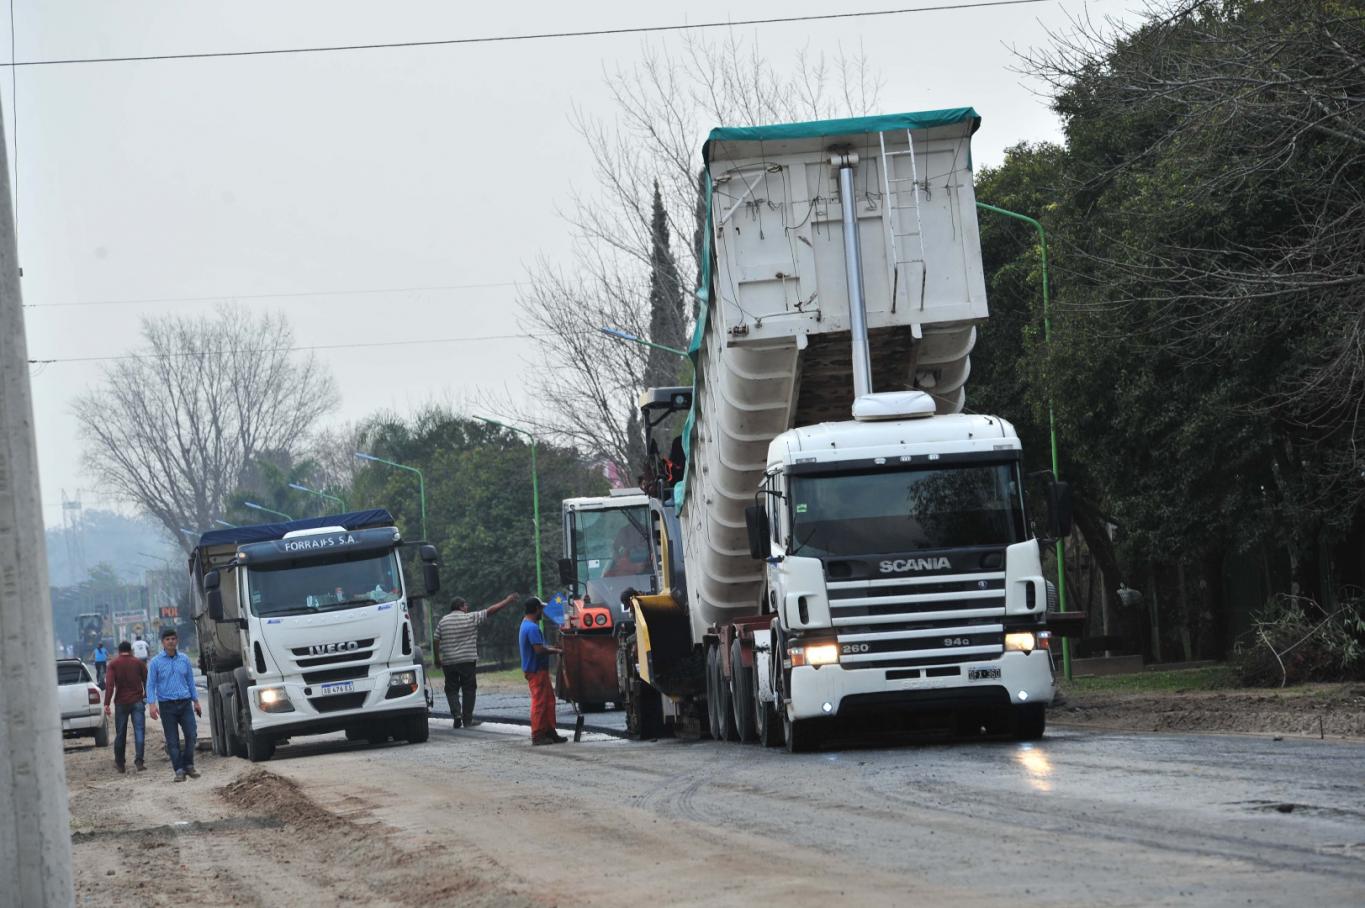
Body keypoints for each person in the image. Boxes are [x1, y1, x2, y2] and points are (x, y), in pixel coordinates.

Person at [433, 593, 516, 729]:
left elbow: (436, 639)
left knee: (451, 689)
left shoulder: (443, 621)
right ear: (461, 606)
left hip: (449, 662)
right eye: (466, 605)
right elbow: (491, 611)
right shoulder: (471, 617)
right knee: (469, 689)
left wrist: (437, 659)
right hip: (467, 660)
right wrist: (507, 601)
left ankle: (456, 715)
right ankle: (467, 720)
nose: (467, 607)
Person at [146, 627, 202, 782]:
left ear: (177, 641)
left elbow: (190, 681)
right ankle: (179, 770)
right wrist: (152, 704)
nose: (171, 642)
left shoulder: (184, 659)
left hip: (184, 703)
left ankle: (189, 765)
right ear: (163, 642)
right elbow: (150, 684)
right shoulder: (156, 662)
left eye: (173, 639)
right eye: (167, 639)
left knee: (191, 734)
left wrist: (196, 701)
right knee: (172, 740)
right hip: (167, 705)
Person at [518, 597, 565, 745]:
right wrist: (556, 651)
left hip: (538, 670)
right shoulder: (531, 628)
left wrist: (553, 648)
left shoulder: (526, 625)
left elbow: (540, 646)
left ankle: (549, 731)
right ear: (537, 609)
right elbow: (539, 650)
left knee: (548, 701)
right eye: (542, 609)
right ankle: (538, 734)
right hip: (536, 670)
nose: (543, 612)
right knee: (539, 702)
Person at [103, 641, 148, 773]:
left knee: (120, 733)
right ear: (131, 650)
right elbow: (147, 680)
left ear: (119, 651)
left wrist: (106, 703)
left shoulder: (113, 664)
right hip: (137, 701)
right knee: (139, 731)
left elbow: (110, 685)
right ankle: (139, 761)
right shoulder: (139, 663)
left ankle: (120, 764)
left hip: (121, 703)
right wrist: (146, 696)